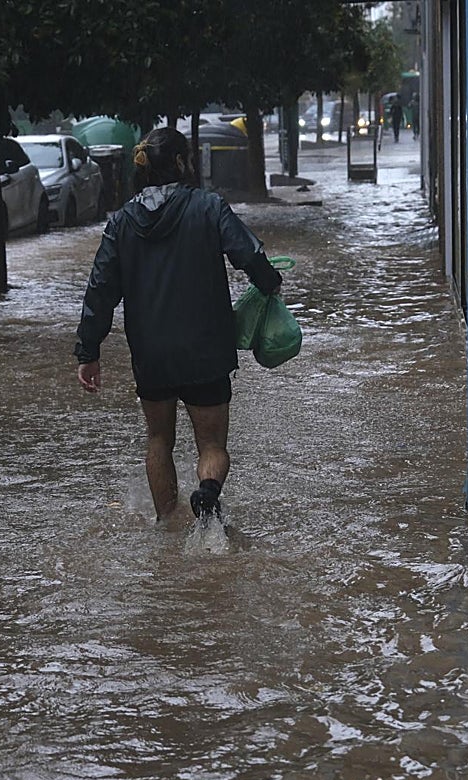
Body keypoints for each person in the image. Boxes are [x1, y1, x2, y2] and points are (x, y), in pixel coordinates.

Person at [74, 126, 284, 527]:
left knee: (158, 441)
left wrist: (88, 352)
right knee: (211, 444)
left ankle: (168, 528)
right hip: (206, 352)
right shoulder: (209, 207)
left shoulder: (121, 223)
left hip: (151, 356)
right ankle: (206, 496)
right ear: (182, 163)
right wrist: (270, 283)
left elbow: (100, 290)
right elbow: (249, 255)